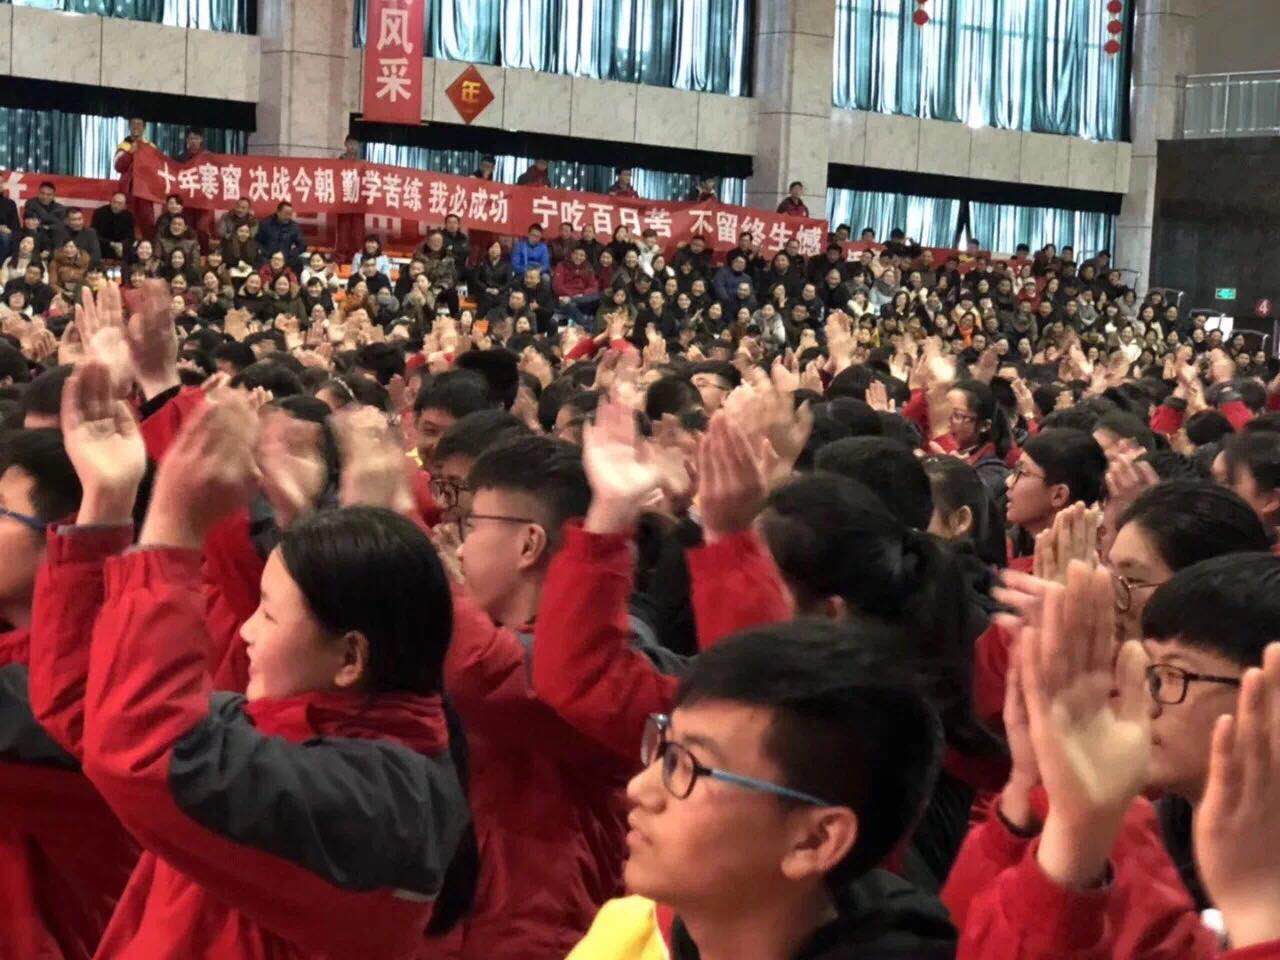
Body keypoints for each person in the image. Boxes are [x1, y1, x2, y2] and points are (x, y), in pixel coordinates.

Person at [577, 621, 954, 959]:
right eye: (666, 750)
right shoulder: (628, 930)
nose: (639, 788)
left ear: (815, 840)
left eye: (686, 765)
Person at [1004, 428, 1107, 571]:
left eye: (1022, 473)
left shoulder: (1078, 572)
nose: (1008, 481)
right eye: (1014, 470)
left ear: (1059, 495)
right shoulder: (1010, 546)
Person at [551, 245, 601, 330]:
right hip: (565, 297)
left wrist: (582, 294)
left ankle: (584, 321)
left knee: (598, 296)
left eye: (582, 255)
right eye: (576, 254)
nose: (578, 257)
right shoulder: (561, 265)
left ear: (585, 257)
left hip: (582, 298)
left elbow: (594, 286)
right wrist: (571, 296)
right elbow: (557, 286)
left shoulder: (588, 268)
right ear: (571, 254)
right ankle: (588, 327)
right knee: (567, 303)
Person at [256, 201, 306, 273]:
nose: (288, 217)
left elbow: (302, 245)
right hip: (268, 258)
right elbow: (258, 241)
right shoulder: (266, 224)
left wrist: (290, 254)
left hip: (286, 259)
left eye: (290, 214)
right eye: (285, 214)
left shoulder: (294, 227)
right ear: (278, 212)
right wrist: (265, 254)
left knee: (298, 263)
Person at [91, 191, 135, 261]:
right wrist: (111, 243)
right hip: (102, 248)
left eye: (120, 204)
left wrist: (121, 244)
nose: (116, 205)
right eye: (114, 202)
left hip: (121, 249)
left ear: (124, 205)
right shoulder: (99, 213)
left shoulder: (128, 216)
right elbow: (94, 235)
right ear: (110, 201)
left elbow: (131, 237)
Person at [24, 181, 68, 252]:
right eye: (42, 193)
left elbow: (61, 225)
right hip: (36, 232)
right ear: (38, 193)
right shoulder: (31, 203)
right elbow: (33, 223)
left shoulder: (60, 208)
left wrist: (47, 226)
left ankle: (55, 258)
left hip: (53, 234)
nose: (45, 197)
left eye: (49, 194)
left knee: (60, 233)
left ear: (53, 195)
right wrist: (52, 221)